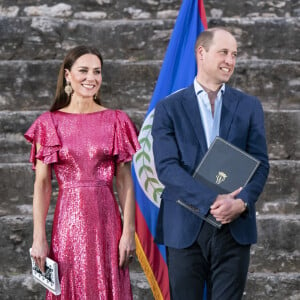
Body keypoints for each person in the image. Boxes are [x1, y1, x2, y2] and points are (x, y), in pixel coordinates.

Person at [151, 28, 270, 300]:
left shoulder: (249, 106)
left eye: (235, 54)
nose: (230, 60)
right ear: (201, 53)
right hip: (184, 226)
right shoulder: (169, 108)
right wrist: (213, 201)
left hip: (235, 227)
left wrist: (241, 204)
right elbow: (167, 167)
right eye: (224, 52)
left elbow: (261, 164)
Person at [25, 45, 140, 299]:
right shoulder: (48, 123)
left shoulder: (116, 120)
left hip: (107, 223)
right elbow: (42, 185)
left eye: (97, 71)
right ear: (68, 75)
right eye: (84, 70)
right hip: (67, 224)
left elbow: (124, 181)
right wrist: (38, 238)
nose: (92, 78)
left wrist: (128, 231)